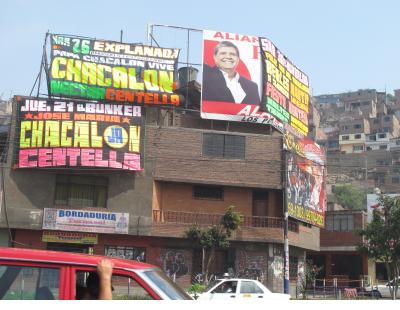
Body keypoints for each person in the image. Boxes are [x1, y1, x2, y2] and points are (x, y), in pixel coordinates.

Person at [202, 41, 260, 105]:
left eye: (232, 54)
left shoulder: (252, 86)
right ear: (215, 57)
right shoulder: (206, 74)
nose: (228, 57)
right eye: (223, 53)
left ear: (238, 59)